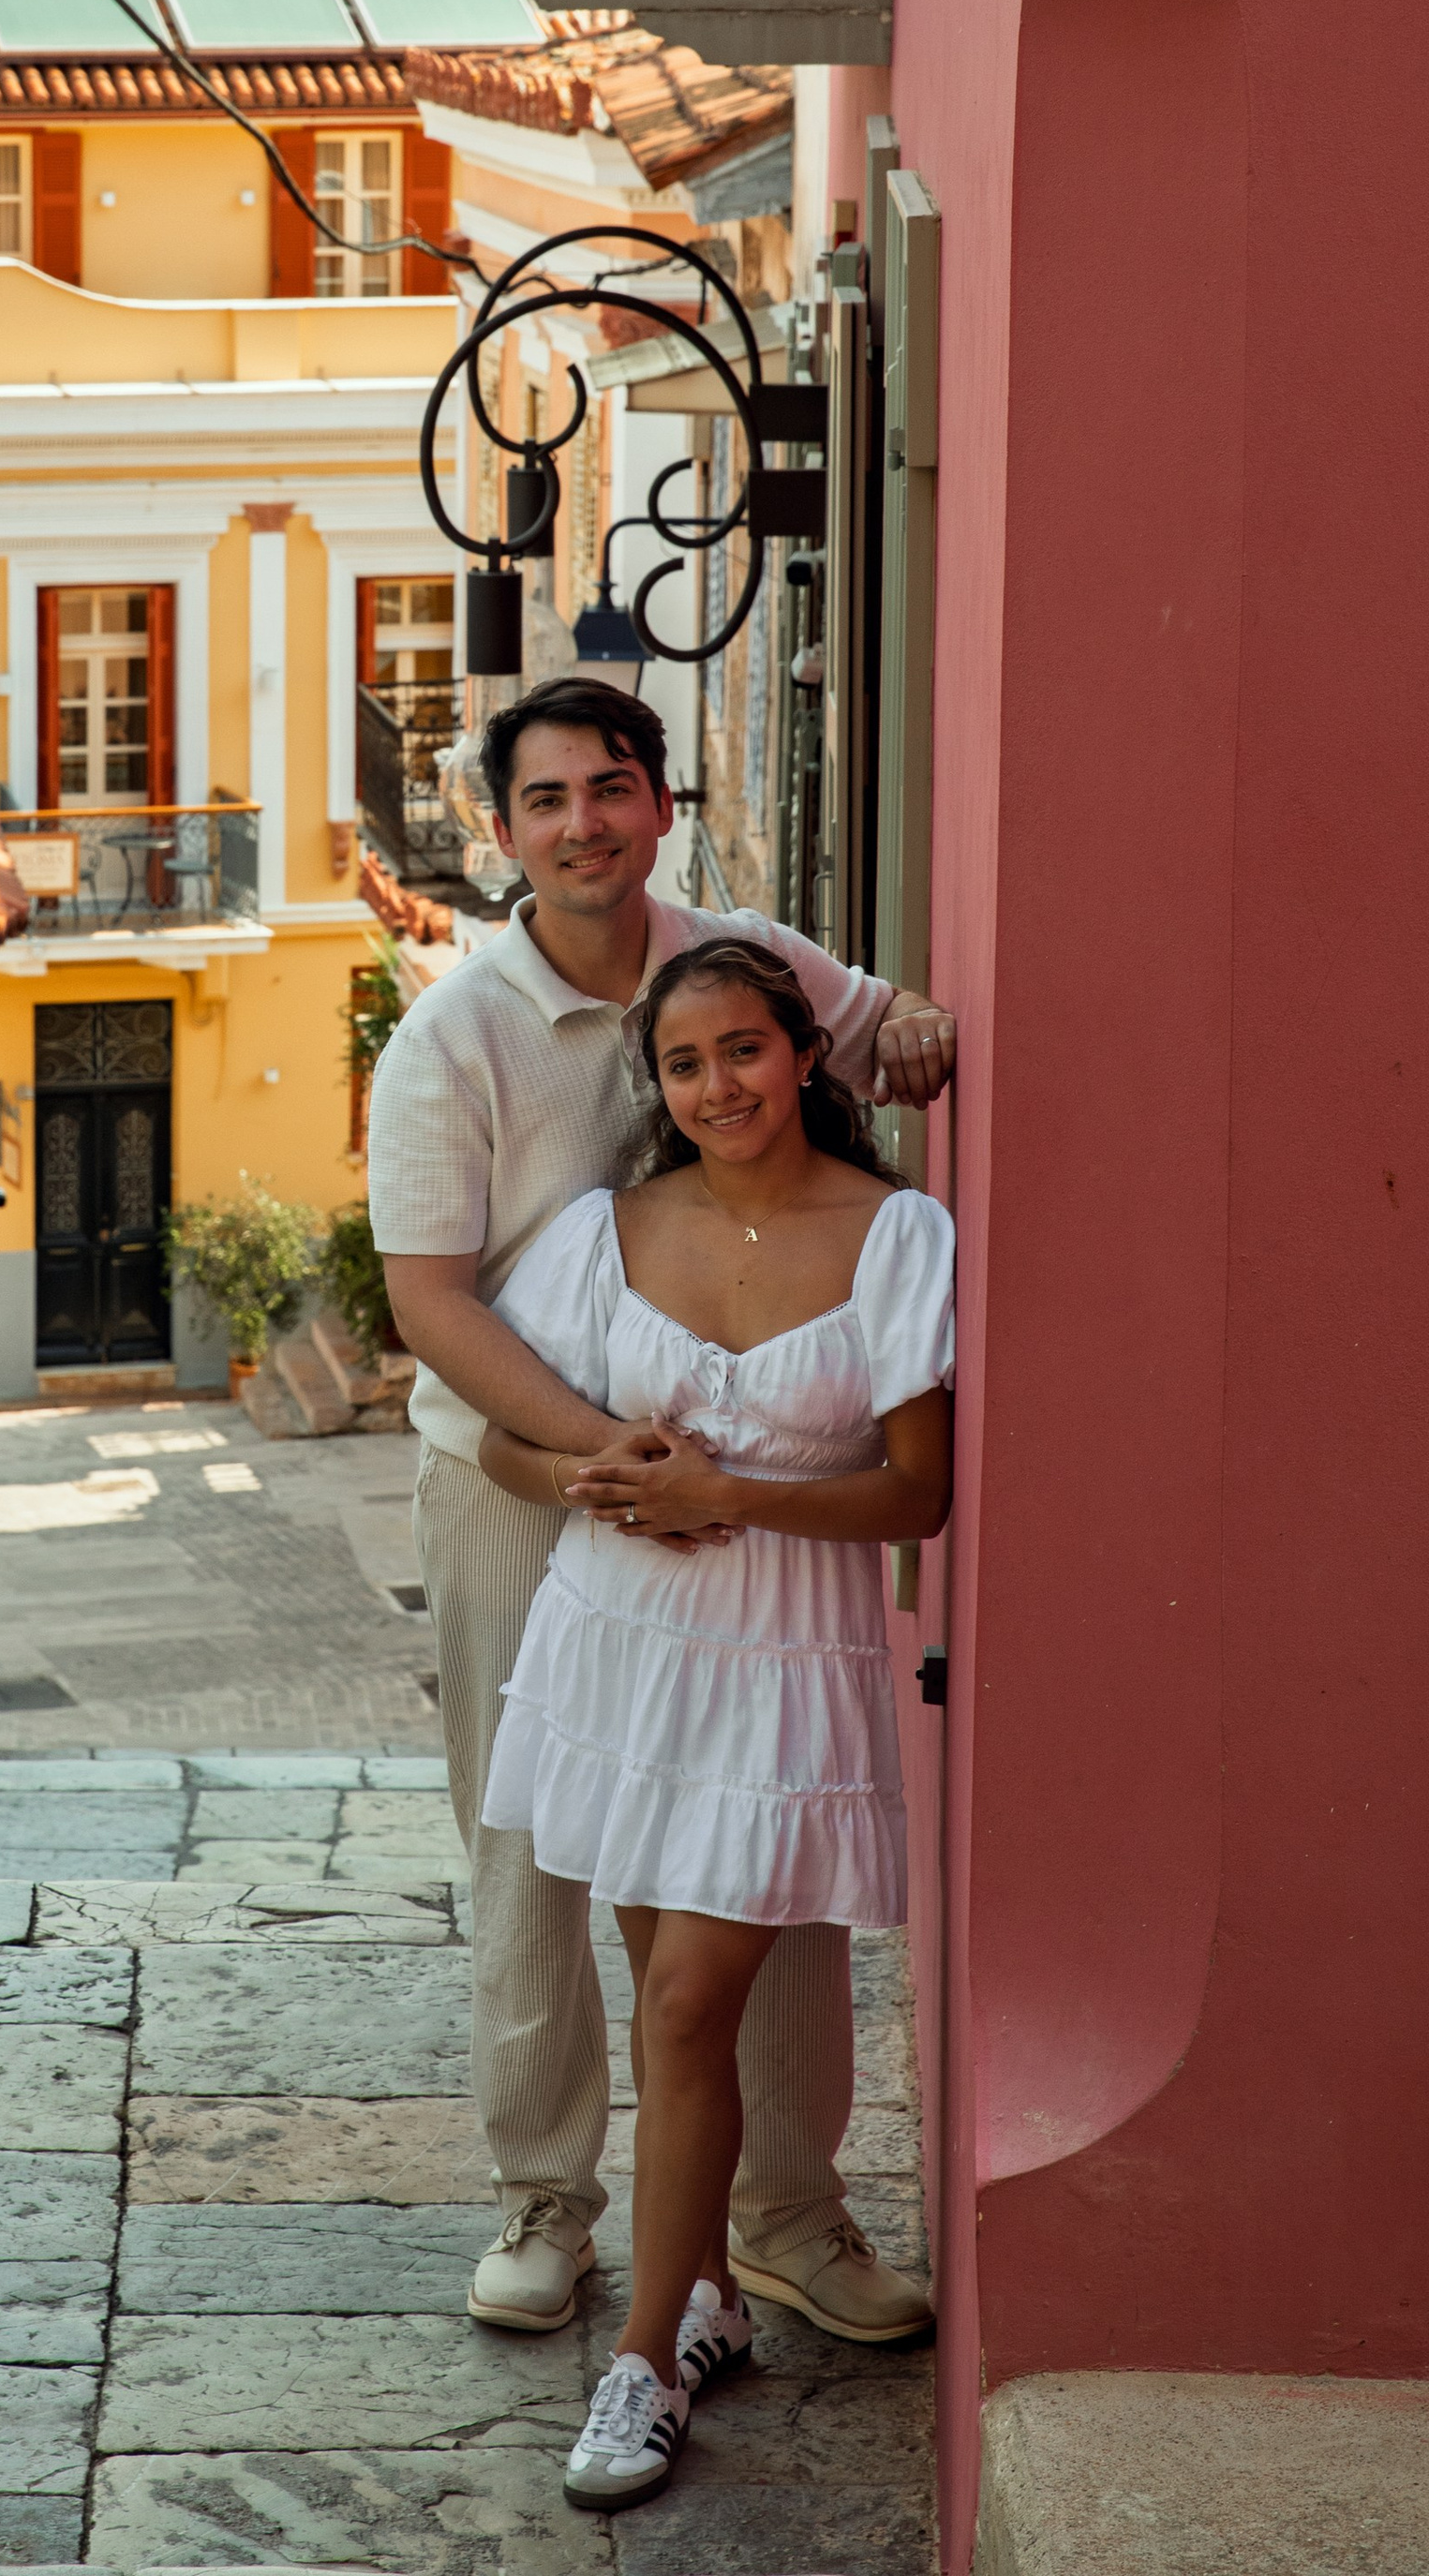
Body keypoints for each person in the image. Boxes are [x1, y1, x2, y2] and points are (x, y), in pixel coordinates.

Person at [367, 675, 953, 2345]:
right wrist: (596, 1456)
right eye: (544, 798)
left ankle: (785, 2210)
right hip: (514, 1461)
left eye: (610, 786)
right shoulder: (452, 1040)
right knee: (536, 1840)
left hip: (744, 1473)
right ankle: (547, 2194)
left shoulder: (747, 964)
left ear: (658, 801)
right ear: (503, 832)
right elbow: (431, 1300)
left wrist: (911, 1023)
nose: (583, 823)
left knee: (763, 1843)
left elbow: (890, 1031)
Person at [474, 934, 952, 2509]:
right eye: (685, 1064)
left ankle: (641, 2359)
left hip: (783, 1662)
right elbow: (501, 1445)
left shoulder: (896, 1237)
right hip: (618, 1643)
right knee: (656, 1993)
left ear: (802, 1051)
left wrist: (724, 1490)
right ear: (658, 1086)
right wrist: (592, 1473)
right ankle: (716, 2300)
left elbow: (918, 1489)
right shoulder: (607, 1229)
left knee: (685, 2008)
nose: (718, 1085)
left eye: (743, 1050)